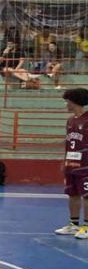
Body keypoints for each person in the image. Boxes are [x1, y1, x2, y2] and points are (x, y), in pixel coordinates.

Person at [54, 88, 88, 239]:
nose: (65, 103)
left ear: (74, 101)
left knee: (87, 196)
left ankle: (86, 226)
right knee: (72, 194)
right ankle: (74, 225)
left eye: (67, 101)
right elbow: (68, 142)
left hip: (86, 164)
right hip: (71, 163)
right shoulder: (70, 120)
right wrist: (64, 159)